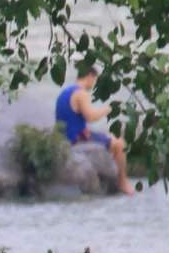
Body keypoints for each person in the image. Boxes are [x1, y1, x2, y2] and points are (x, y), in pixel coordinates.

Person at [55, 65, 134, 196]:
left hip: (64, 135)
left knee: (110, 138)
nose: (94, 84)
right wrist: (107, 109)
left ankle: (109, 176)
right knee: (120, 144)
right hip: (77, 137)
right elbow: (91, 117)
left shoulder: (65, 92)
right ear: (90, 76)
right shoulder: (80, 93)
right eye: (95, 80)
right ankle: (123, 182)